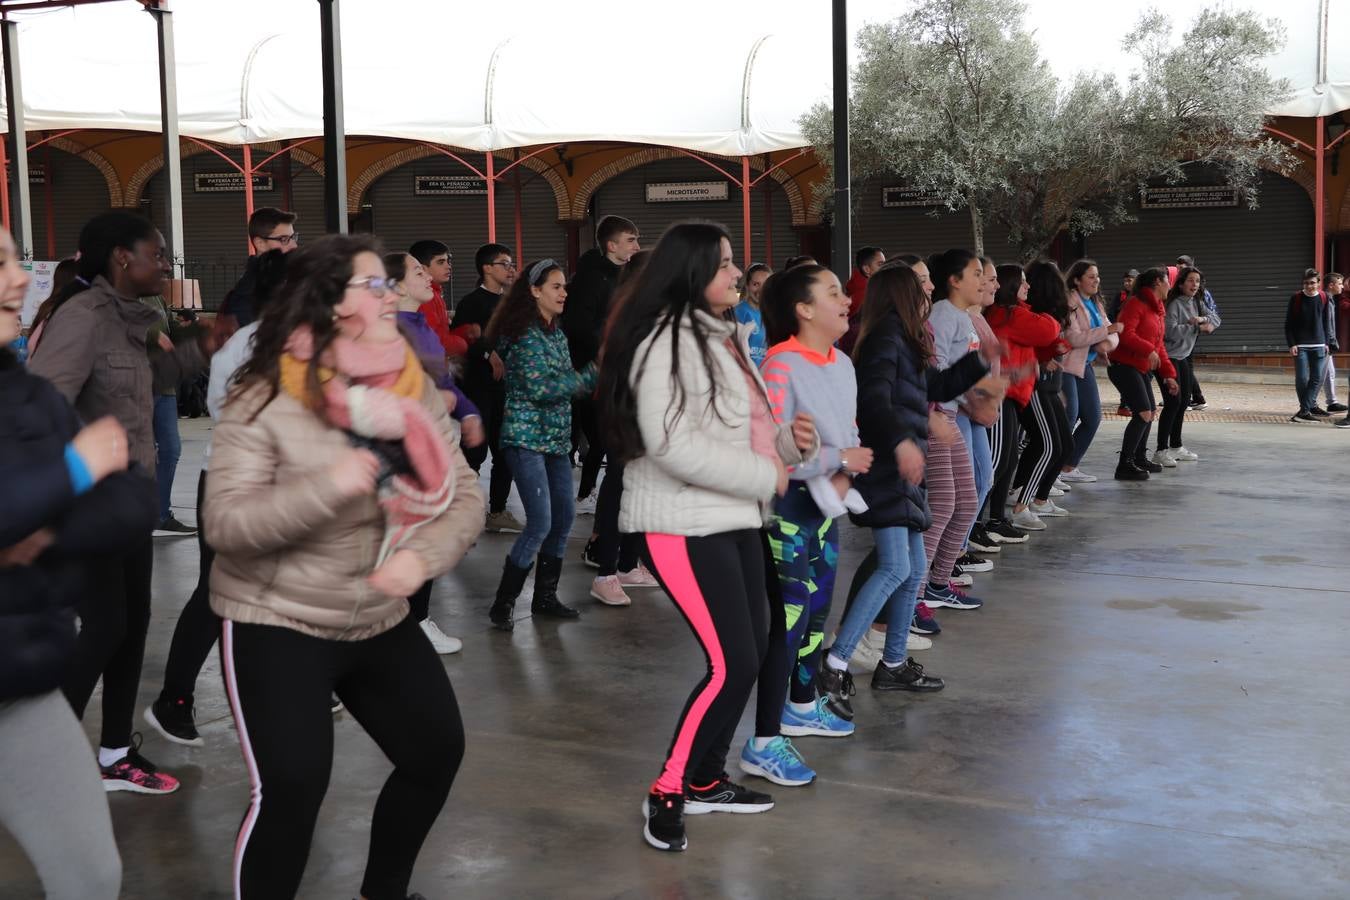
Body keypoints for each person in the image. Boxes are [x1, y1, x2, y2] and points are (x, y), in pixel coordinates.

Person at [208, 234, 481, 900]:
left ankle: (382, 892)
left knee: (434, 751)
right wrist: (329, 485)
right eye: (375, 286)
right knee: (293, 787)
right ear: (329, 304)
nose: (391, 296)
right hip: (278, 618)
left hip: (377, 612)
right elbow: (226, 526)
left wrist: (421, 558)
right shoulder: (263, 396)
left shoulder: (410, 386)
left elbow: (465, 496)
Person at [597, 221, 817, 852]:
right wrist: (765, 472)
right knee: (730, 663)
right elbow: (670, 445)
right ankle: (668, 789)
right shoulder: (664, 341)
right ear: (691, 272)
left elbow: (746, 433)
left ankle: (704, 778)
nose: (734, 273)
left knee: (751, 651)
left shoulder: (724, 337)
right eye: (723, 264)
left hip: (735, 517)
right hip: (682, 522)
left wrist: (790, 445)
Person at [29, 211, 207, 794]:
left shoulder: (132, 319)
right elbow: (42, 410)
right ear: (121, 259)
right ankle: (38, 755)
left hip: (130, 499)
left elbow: (145, 382)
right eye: (156, 253)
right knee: (106, 627)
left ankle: (113, 755)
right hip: (91, 504)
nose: (164, 263)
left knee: (132, 626)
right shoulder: (81, 318)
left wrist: (201, 345)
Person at [1, 224, 151, 899]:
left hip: (20, 681)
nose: (16, 280)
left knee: (91, 875)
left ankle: (116, 749)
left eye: (10, 260)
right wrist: (71, 470)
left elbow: (127, 502)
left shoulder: (23, 394)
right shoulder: (77, 329)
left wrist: (43, 531)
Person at [818, 263, 990, 720]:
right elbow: (872, 401)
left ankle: (892, 663)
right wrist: (899, 442)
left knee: (912, 568)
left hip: (904, 466)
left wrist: (982, 361)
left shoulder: (905, 341)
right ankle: (834, 665)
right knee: (896, 567)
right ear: (900, 296)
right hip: (887, 467)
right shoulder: (883, 340)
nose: (927, 293)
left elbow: (934, 387)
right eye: (921, 288)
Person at [144, 251, 291, 747]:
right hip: (236, 484)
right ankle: (175, 700)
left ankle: (275, 694)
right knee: (218, 596)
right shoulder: (252, 348)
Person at [738, 263, 870, 788]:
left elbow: (850, 431)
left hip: (825, 508)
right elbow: (769, 449)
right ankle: (764, 740)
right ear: (804, 309)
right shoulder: (779, 364)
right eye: (834, 292)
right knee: (787, 623)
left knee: (817, 614)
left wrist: (842, 469)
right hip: (786, 512)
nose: (846, 300)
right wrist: (837, 461)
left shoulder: (842, 362)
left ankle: (801, 704)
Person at [486, 259, 599, 630]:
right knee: (540, 522)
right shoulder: (524, 334)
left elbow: (565, 381)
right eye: (555, 286)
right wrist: (591, 374)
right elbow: (542, 389)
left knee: (563, 519)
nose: (563, 292)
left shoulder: (555, 333)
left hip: (555, 440)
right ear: (534, 291)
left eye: (564, 286)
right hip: (526, 438)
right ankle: (503, 603)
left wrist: (580, 380)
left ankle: (545, 598)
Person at [390, 250, 488, 656]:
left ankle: (412, 620)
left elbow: (442, 380)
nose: (427, 276)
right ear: (394, 284)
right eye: (417, 271)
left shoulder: (420, 323)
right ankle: (409, 623)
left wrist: (468, 412)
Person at [916, 249, 996, 612]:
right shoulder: (943, 316)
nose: (983, 280)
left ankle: (938, 583)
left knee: (966, 503)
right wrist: (975, 397)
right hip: (939, 422)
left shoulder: (963, 317)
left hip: (950, 419)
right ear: (955, 280)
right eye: (977, 273)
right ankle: (915, 597)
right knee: (945, 504)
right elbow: (941, 374)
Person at [584, 250, 661, 607]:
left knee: (641, 490)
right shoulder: (628, 312)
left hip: (646, 411)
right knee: (619, 488)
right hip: (623, 412)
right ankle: (606, 573)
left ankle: (630, 564)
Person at [562, 215, 641, 514]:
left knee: (607, 439)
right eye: (630, 240)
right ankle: (588, 494)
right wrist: (607, 349)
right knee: (600, 437)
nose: (636, 245)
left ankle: (592, 493)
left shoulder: (625, 276)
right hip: (592, 371)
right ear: (612, 245)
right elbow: (579, 324)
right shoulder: (592, 279)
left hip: (616, 369)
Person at [986, 263, 1066, 532]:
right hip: (1004, 393)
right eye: (1022, 282)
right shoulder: (1009, 315)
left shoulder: (1012, 314)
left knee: (1008, 461)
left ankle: (997, 517)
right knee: (1001, 463)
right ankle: (983, 521)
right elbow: (1049, 331)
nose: (1027, 286)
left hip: (1014, 392)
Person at [453, 243, 525, 534]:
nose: (510, 269)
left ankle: (497, 510)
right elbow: (462, 338)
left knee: (506, 449)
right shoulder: (472, 302)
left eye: (511, 264)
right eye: (504, 264)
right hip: (479, 387)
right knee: (475, 449)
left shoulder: (509, 302)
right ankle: (462, 509)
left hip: (506, 388)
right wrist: (487, 352)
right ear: (487, 268)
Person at [142, 289, 210, 535]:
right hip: (136, 383)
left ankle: (161, 514)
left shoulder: (156, 297)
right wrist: (152, 334)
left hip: (164, 382)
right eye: (156, 256)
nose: (165, 266)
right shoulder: (119, 291)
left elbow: (172, 328)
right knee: (140, 452)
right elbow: (113, 323)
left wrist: (196, 329)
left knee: (171, 449)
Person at [1109, 267, 1178, 479]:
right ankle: (1125, 465)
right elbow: (1126, 334)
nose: (1170, 285)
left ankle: (1139, 457)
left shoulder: (1157, 310)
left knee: (1149, 412)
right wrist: (1147, 350)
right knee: (1143, 412)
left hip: (1139, 367)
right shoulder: (1135, 303)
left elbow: (1159, 347)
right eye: (1168, 281)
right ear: (1158, 282)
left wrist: (1168, 375)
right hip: (1123, 365)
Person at [1060, 260, 1121, 484]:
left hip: (1085, 365)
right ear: (1077, 280)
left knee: (1093, 417)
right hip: (1067, 366)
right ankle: (1051, 469)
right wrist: (1105, 333)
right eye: (1091, 276)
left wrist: (1107, 341)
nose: (1097, 281)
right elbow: (1074, 338)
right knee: (1069, 415)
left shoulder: (1095, 302)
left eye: (1097, 276)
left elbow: (1113, 332)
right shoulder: (1070, 302)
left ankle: (1068, 467)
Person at [213, 207, 299, 345]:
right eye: (284, 239)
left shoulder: (283, 280)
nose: (294, 245)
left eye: (293, 237)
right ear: (260, 243)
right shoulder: (250, 292)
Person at [1154, 266, 1209, 466]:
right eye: (1190, 281)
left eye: (1197, 281)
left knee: (1184, 401)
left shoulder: (1197, 302)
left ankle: (1176, 446)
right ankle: (1161, 450)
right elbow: (1171, 332)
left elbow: (1216, 318)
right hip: (1168, 357)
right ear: (1181, 283)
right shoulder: (1174, 304)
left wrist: (1202, 320)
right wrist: (1194, 325)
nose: (1194, 285)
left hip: (1184, 356)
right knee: (1173, 402)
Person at [1286, 268, 1338, 421]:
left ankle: (1304, 412)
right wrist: (1292, 344)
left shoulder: (1323, 297)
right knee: (1301, 379)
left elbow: (1326, 321)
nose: (1310, 286)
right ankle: (1305, 411)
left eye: (1313, 283)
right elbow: (1288, 324)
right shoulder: (1295, 298)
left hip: (1320, 345)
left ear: (1319, 283)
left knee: (1316, 379)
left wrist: (1327, 342)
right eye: (1307, 283)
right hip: (1301, 346)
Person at [408, 239, 473, 359]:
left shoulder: (435, 293)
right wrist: (463, 344)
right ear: (422, 269)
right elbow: (436, 342)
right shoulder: (425, 297)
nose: (448, 266)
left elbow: (441, 334)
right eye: (441, 262)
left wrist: (465, 332)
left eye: (448, 261)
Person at [1317, 272, 1347, 414]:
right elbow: (1327, 323)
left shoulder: (1330, 299)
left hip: (1326, 342)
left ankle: (1332, 402)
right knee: (1320, 375)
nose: (1342, 287)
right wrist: (1331, 341)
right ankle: (1310, 405)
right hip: (1325, 343)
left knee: (1330, 373)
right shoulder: (1325, 299)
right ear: (1331, 285)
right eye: (1339, 284)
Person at [733, 262, 771, 366]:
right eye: (756, 284)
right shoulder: (738, 312)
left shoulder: (772, 315)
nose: (761, 290)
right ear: (747, 286)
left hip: (766, 376)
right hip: (747, 376)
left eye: (765, 284)